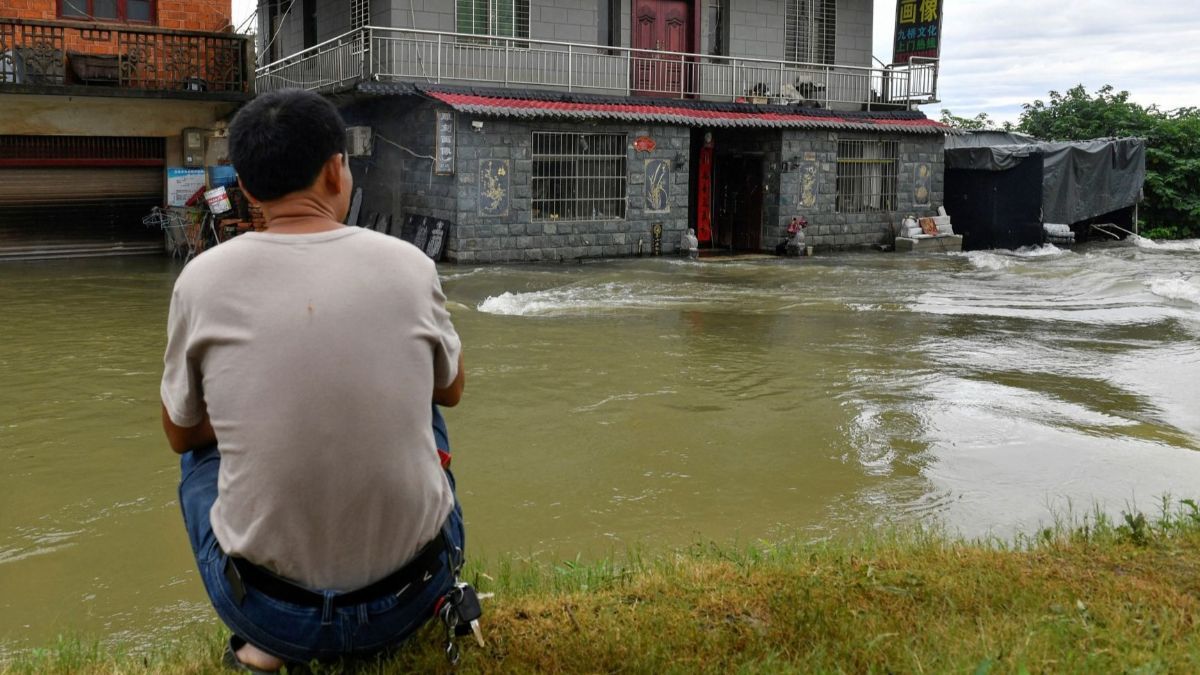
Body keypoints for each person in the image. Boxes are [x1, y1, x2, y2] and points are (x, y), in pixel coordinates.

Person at [160, 88, 467, 672]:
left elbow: (180, 434)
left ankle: (266, 647)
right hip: (410, 596)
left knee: (199, 461)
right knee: (426, 409)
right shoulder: (410, 265)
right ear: (336, 171)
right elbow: (450, 389)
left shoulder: (201, 281)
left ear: (247, 188)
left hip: (272, 614)